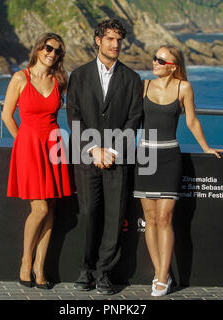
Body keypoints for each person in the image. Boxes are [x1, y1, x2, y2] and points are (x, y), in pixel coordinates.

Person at [133, 45, 223, 296]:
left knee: (164, 218)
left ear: (173, 66)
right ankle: (159, 272)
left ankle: (163, 277)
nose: (155, 62)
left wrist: (206, 147)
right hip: (145, 156)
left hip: (168, 157)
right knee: (150, 219)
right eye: (155, 58)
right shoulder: (143, 86)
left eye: (161, 60)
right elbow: (129, 119)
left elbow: (192, 120)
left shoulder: (183, 87)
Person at [66, 19, 143, 295]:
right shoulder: (79, 75)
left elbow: (134, 120)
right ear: (98, 40)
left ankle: (104, 273)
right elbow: (73, 116)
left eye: (119, 40)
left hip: (118, 159)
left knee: (114, 218)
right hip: (87, 160)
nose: (116, 45)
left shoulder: (133, 79)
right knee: (88, 214)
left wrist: (110, 151)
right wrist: (93, 149)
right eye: (110, 39)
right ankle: (85, 271)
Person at [2, 33, 73, 290]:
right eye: (48, 48)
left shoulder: (59, 80)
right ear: (39, 48)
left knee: (51, 209)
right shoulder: (20, 78)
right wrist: (22, 141)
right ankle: (25, 262)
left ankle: (39, 268)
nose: (52, 53)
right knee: (40, 208)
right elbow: (7, 115)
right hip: (30, 148)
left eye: (57, 51)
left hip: (54, 145)